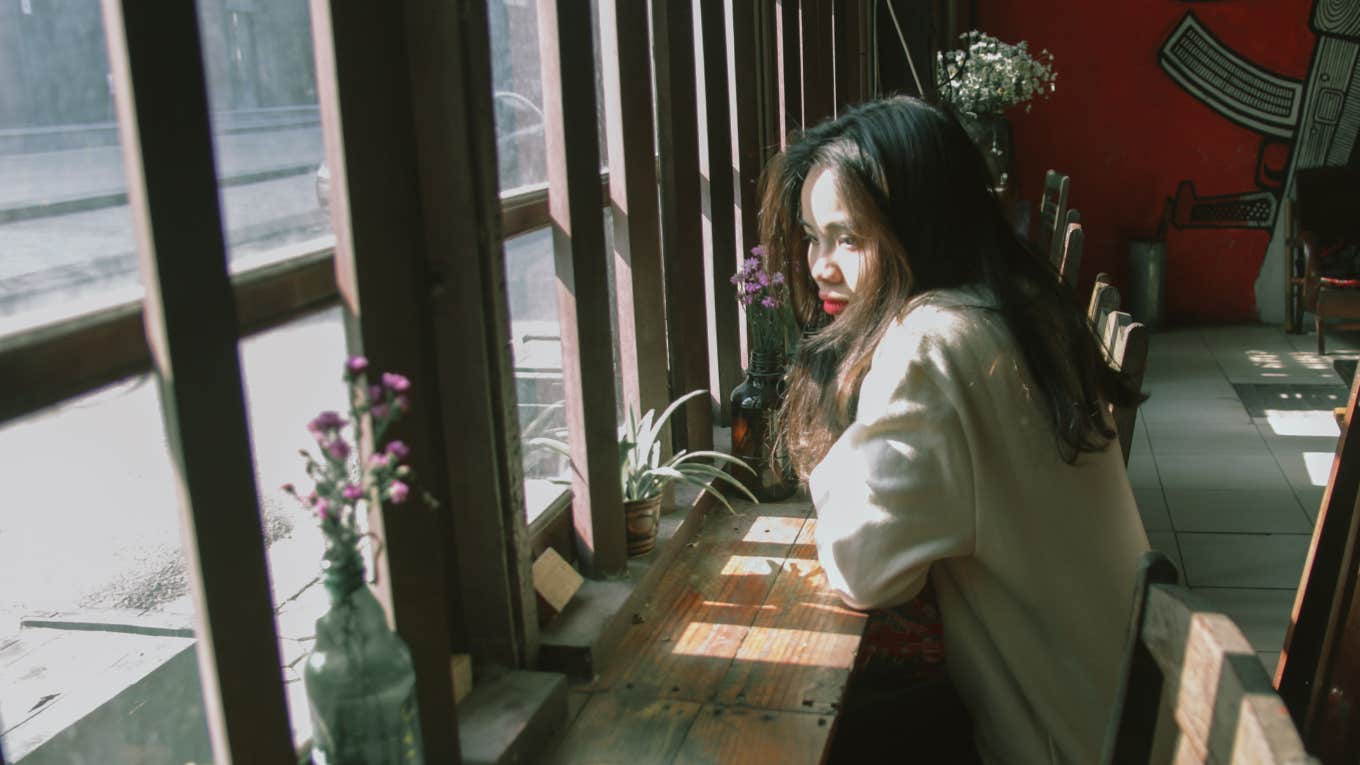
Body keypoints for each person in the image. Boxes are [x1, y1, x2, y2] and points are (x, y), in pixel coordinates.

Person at [760, 96, 1150, 764]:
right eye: (812, 234)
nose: (820, 264)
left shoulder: (933, 343)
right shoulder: (1014, 308)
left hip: (1063, 741)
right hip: (1120, 706)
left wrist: (838, 433)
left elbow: (863, 569)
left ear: (918, 227)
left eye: (849, 238)